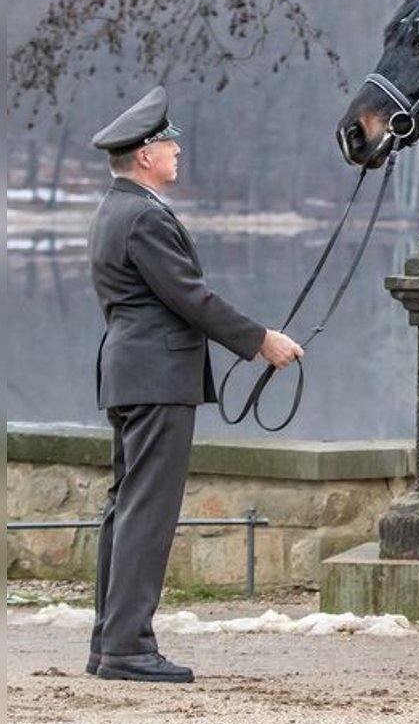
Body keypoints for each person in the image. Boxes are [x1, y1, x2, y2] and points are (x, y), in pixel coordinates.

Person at [85, 85, 303, 683]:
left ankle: (110, 642)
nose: (178, 150)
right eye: (169, 142)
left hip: (129, 374)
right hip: (155, 378)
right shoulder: (143, 216)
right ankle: (128, 648)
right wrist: (262, 340)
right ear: (146, 154)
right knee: (146, 513)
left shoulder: (115, 209)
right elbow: (191, 297)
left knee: (125, 508)